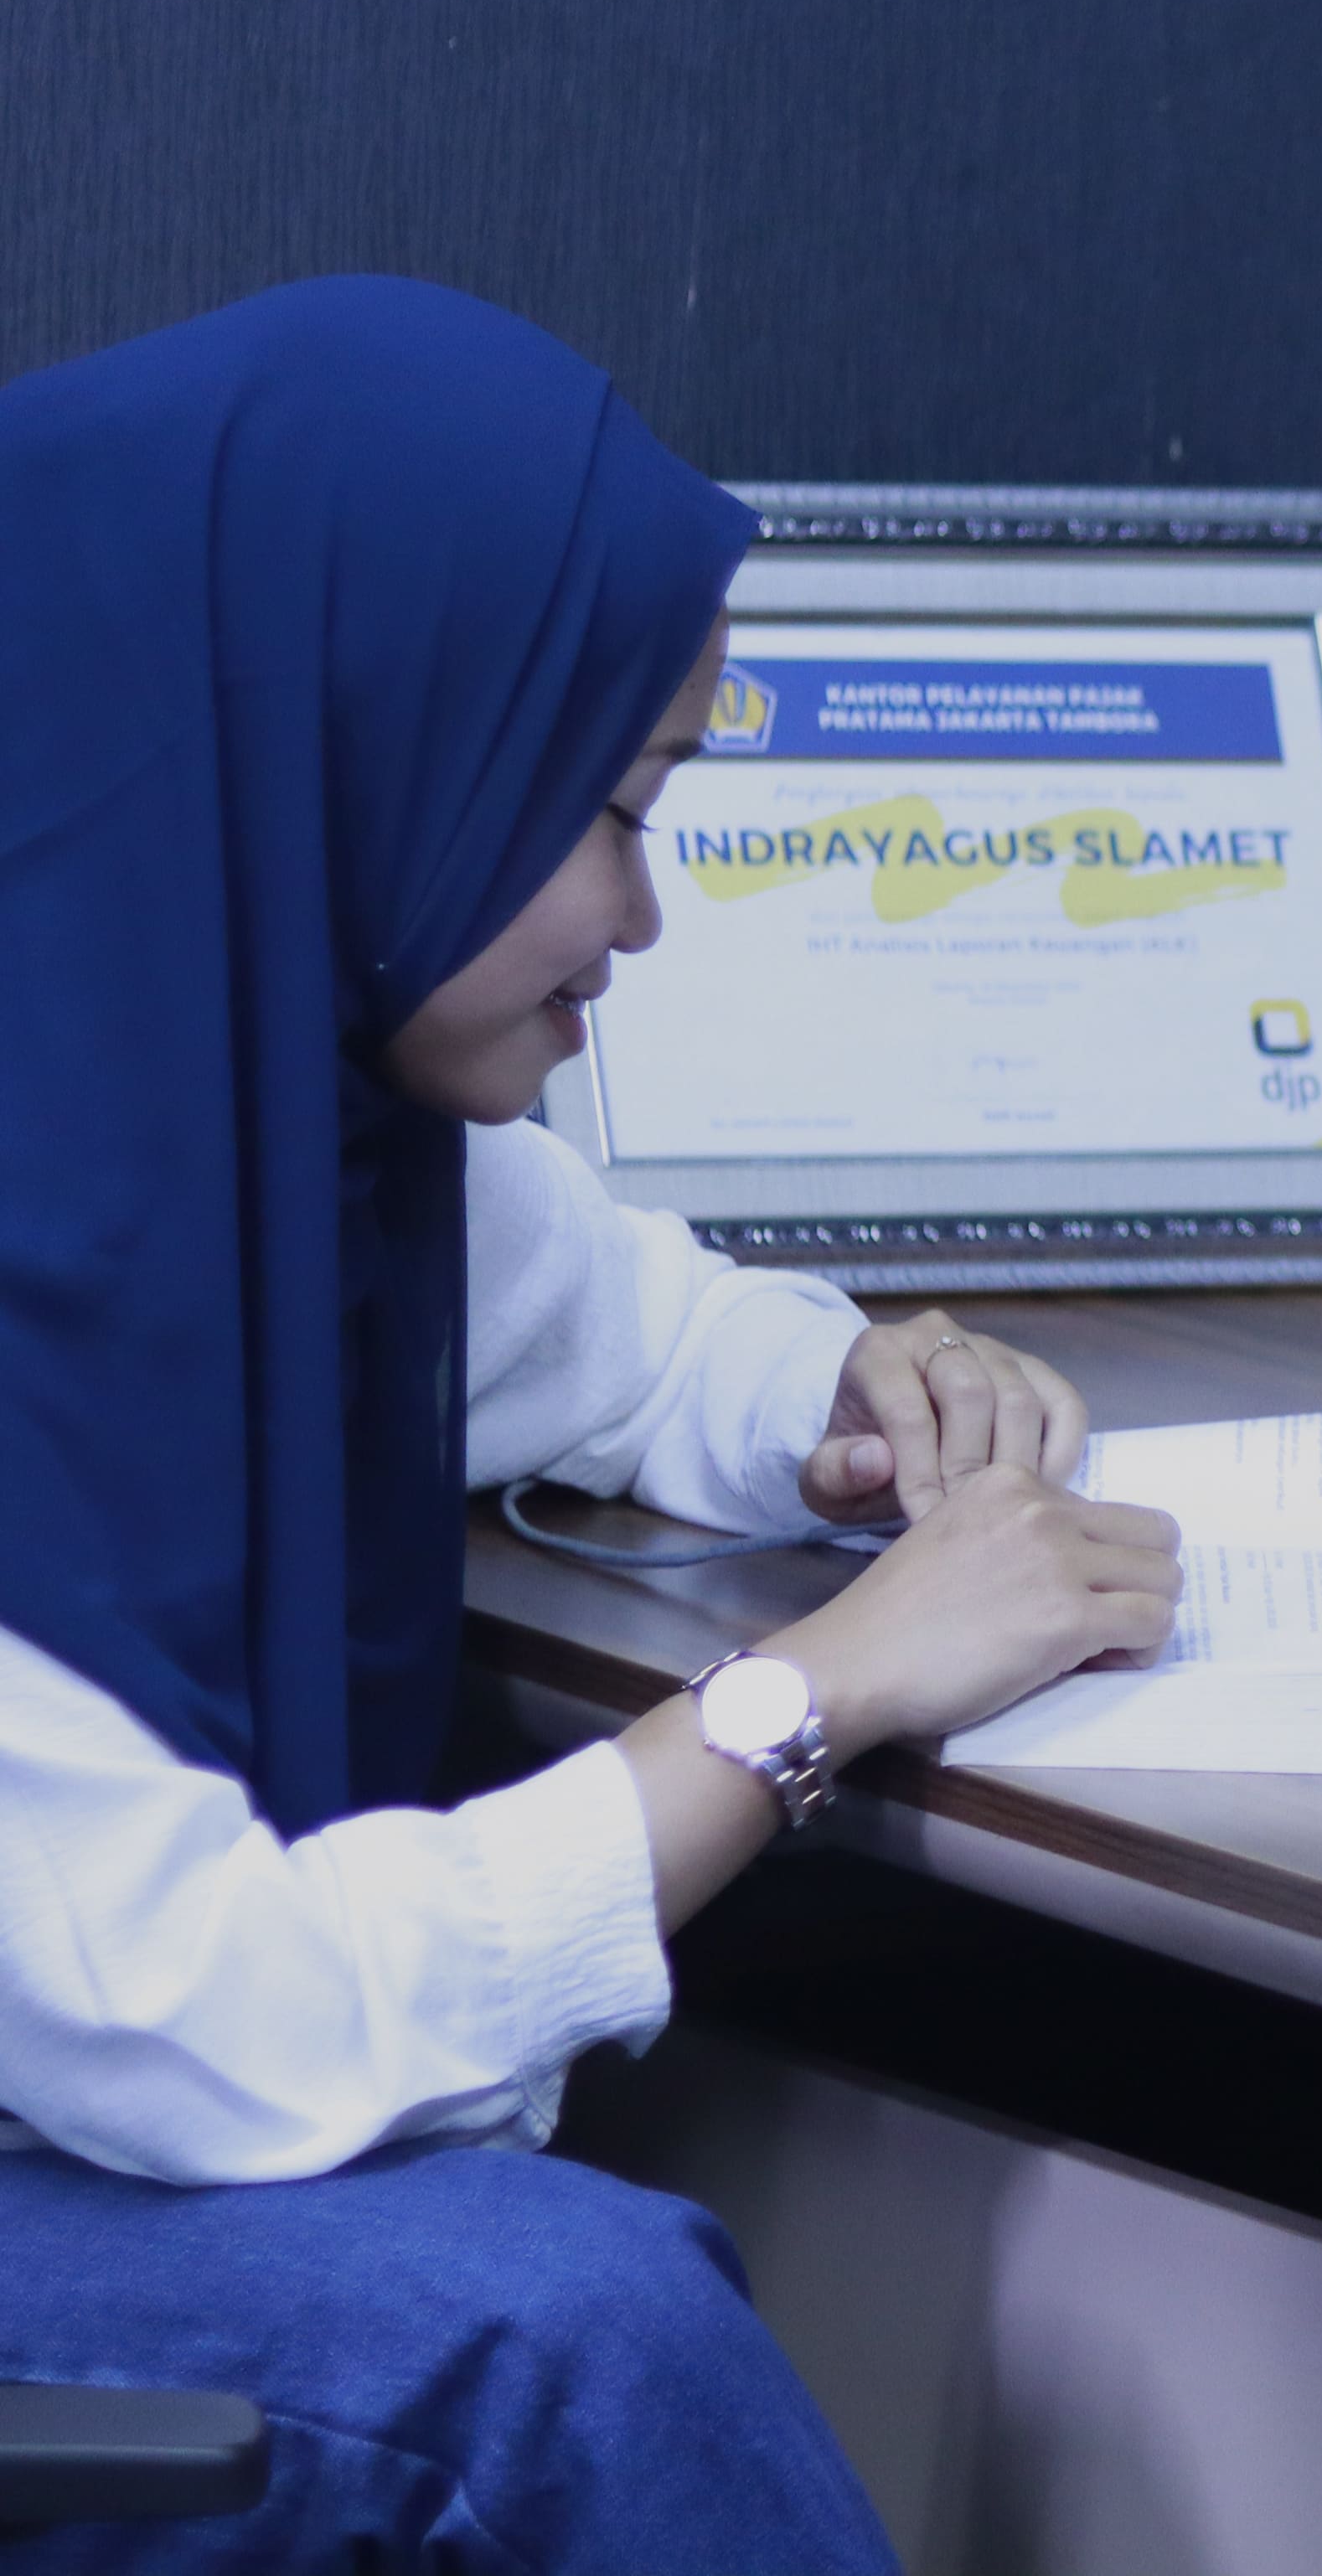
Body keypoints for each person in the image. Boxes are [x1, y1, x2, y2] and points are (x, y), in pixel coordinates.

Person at [0, 278, 1186, 2571]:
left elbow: (631, 1328)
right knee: (566, 2337)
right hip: (122, 2105)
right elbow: (225, 2020)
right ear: (366, 744)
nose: (643, 917)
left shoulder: (216, 1086)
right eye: (616, 813)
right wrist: (805, 1697)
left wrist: (848, 1396)